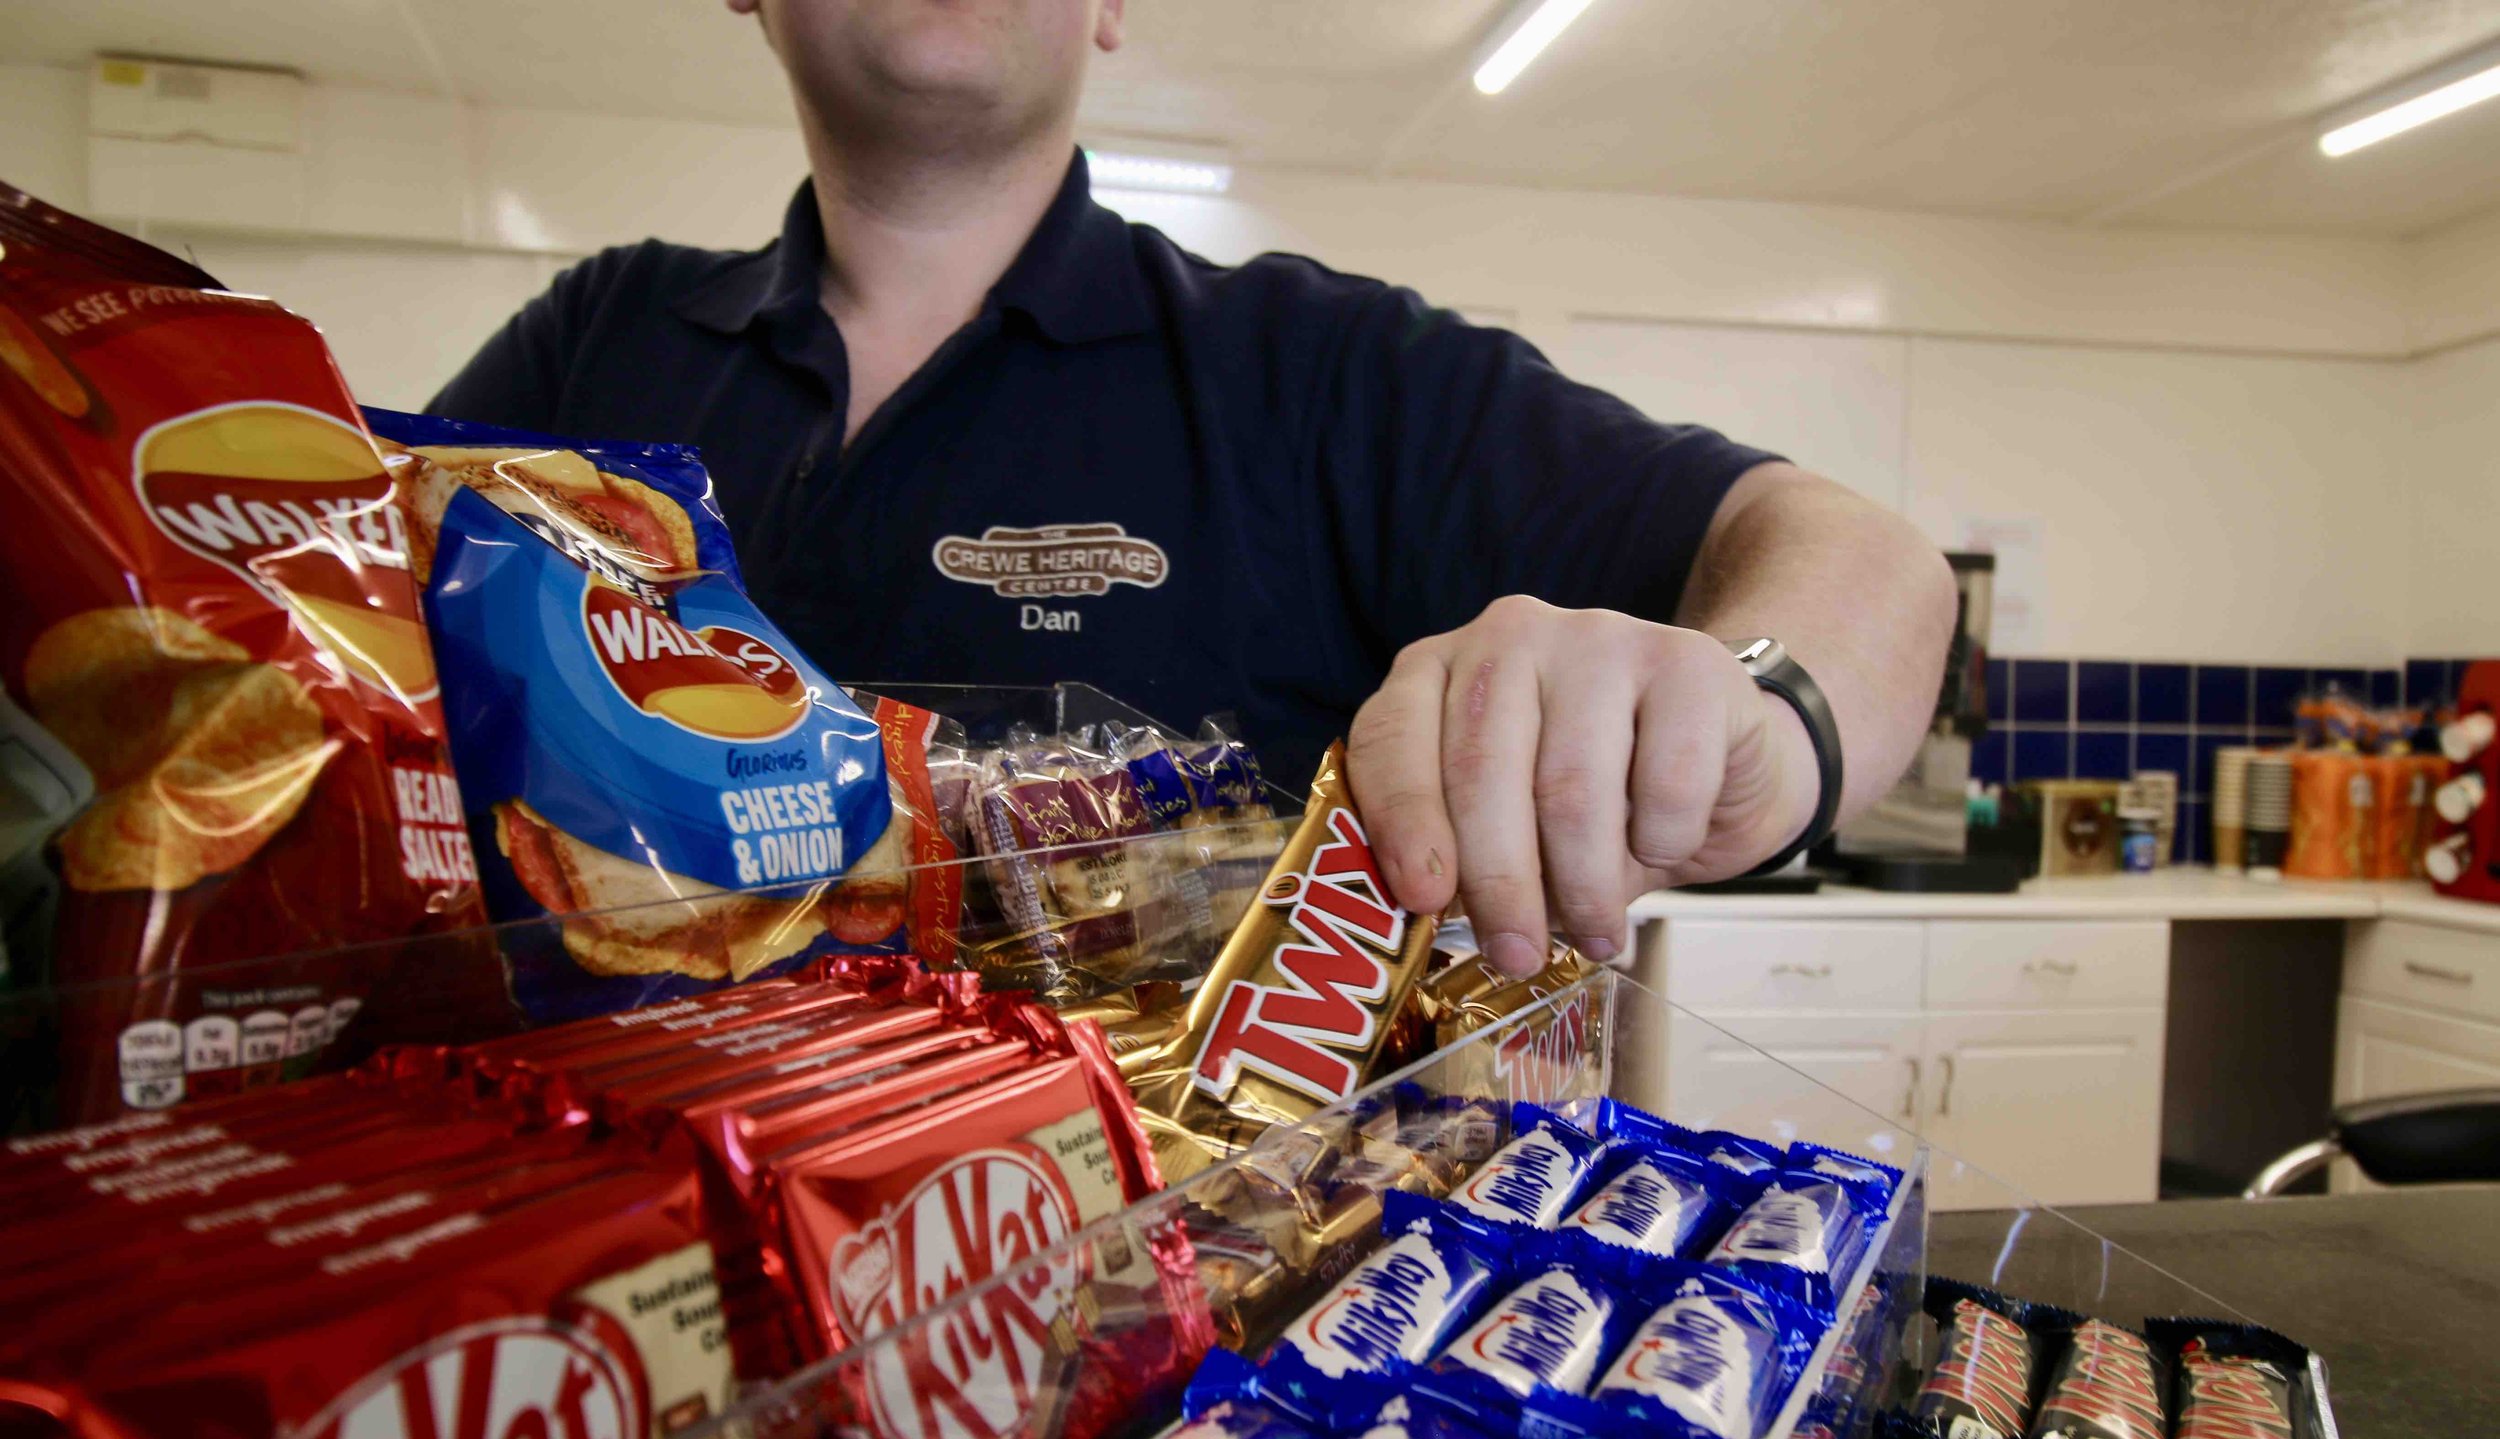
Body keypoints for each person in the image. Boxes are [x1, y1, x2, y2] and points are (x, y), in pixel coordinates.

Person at [430, 0, 1955, 979]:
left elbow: (1862, 558)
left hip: (1178, 1361)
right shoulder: (596, 340)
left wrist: (1757, 725)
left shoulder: (1318, 368)